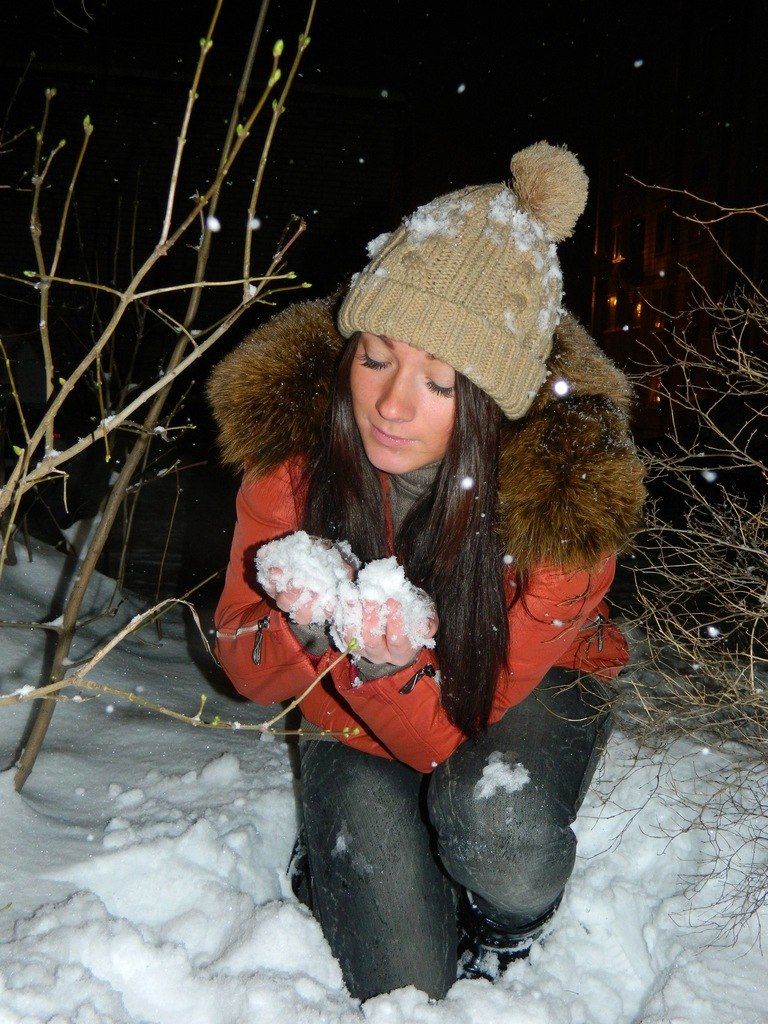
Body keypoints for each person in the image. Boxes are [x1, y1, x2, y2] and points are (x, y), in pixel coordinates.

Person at [206, 141, 646, 1001]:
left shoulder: (566, 512)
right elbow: (241, 660)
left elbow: (449, 732)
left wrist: (378, 661)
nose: (391, 404)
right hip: (353, 714)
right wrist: (304, 623)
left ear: (493, 397)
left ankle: (498, 928)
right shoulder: (295, 458)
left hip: (527, 692)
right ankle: (350, 860)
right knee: (406, 988)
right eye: (375, 358)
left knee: (502, 834)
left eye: (440, 383)